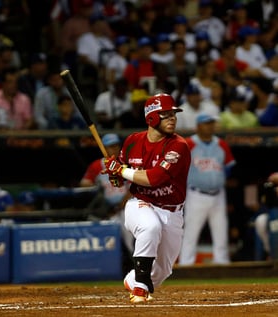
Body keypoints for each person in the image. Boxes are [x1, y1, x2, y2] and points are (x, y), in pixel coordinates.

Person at [102, 93, 191, 303]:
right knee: (150, 227)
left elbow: (154, 178)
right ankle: (140, 290)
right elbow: (120, 178)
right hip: (141, 203)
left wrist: (121, 171)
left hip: (172, 211)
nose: (172, 119)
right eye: (165, 114)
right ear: (151, 118)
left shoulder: (178, 145)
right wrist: (115, 175)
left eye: (173, 115)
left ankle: (133, 280)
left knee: (163, 271)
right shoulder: (133, 141)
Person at [178, 114, 236, 266]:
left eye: (211, 123)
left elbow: (229, 166)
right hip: (196, 194)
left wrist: (217, 177)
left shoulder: (221, 144)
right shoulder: (189, 143)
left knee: (221, 231)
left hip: (218, 195)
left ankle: (222, 263)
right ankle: (186, 264)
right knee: (191, 232)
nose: (209, 126)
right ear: (198, 126)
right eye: (205, 123)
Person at [80, 133, 133, 273]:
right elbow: (84, 184)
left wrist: (123, 202)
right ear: (104, 148)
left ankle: (138, 267)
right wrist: (97, 191)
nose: (114, 149)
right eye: (110, 147)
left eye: (116, 146)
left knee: (131, 239)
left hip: (128, 208)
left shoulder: (126, 162)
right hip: (109, 212)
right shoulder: (97, 166)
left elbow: (135, 186)